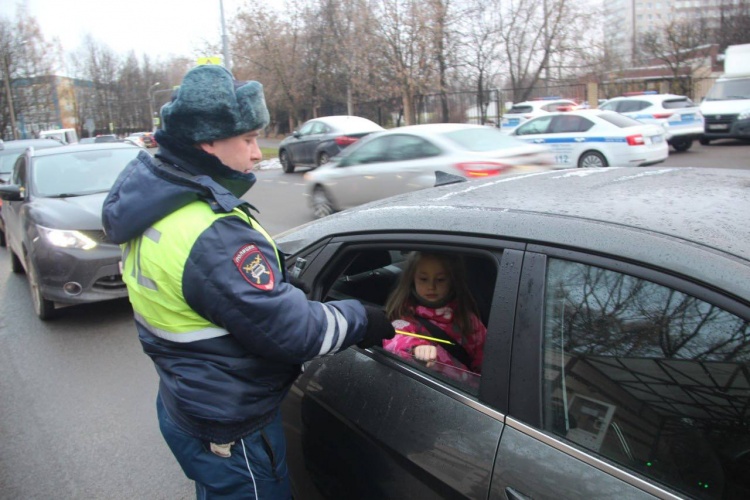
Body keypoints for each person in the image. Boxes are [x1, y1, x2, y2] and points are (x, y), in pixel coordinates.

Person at [101, 64, 395, 499]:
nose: (258, 153)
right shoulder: (211, 232)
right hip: (231, 429)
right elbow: (295, 332)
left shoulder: (157, 208)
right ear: (208, 141)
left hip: (188, 400)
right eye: (248, 139)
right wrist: (364, 317)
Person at [383, 252, 487, 380]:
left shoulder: (466, 318)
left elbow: (485, 355)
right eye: (423, 279)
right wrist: (415, 348)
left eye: (440, 280)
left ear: (452, 281)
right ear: (412, 280)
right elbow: (394, 339)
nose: (431, 286)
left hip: (470, 393)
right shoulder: (405, 318)